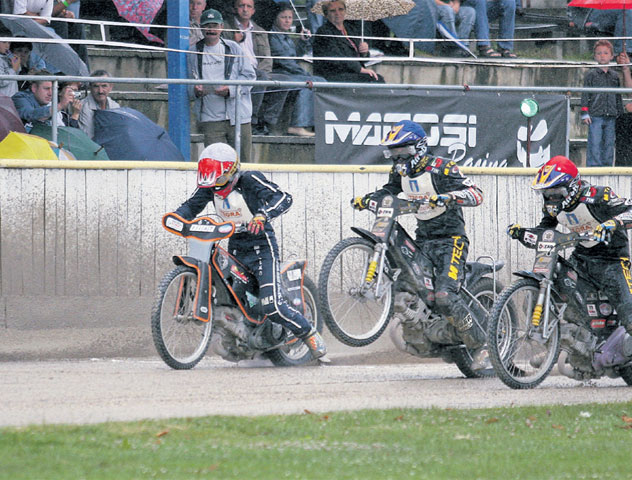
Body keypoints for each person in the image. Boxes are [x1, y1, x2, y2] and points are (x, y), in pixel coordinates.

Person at [170, 143, 328, 361]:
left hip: (262, 248)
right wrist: (177, 217)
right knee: (238, 300)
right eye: (210, 178)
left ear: (232, 171)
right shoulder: (210, 188)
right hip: (235, 247)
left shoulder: (250, 179)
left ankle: (308, 332)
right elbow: (190, 206)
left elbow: (283, 197)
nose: (215, 185)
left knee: (271, 304)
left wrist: (262, 215)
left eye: (219, 178)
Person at [350, 120, 488, 370]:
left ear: (420, 147)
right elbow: (388, 192)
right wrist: (368, 199)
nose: (397, 157)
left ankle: (482, 347)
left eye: (402, 151)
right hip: (422, 239)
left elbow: (476, 194)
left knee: (445, 296)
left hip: (451, 241)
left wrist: (448, 197)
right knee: (409, 289)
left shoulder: (443, 167)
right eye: (393, 152)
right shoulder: (399, 172)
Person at [508, 156, 632, 368]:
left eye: (555, 192)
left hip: (612, 259)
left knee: (628, 312)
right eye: (546, 193)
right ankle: (557, 347)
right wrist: (522, 233)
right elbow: (545, 232)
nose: (551, 198)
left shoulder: (599, 195)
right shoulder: (552, 208)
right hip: (581, 257)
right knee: (550, 289)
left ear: (571, 186)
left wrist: (611, 224)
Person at [189, 9, 256, 163]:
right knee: (216, 165)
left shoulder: (234, 48)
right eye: (207, 26)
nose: (211, 30)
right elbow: (187, 83)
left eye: (214, 25)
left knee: (244, 163)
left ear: (221, 27)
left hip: (239, 116)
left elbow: (250, 77)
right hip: (210, 118)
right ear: (201, 27)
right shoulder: (192, 52)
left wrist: (230, 90)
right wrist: (195, 90)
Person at [222, 0, 288, 136]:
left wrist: (261, 72)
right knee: (260, 77)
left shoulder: (260, 31)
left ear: (253, 11)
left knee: (285, 81)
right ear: (235, 8)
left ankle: (267, 121)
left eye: (249, 6)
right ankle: (251, 121)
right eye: (241, 6)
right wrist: (234, 42)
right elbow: (222, 54)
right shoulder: (225, 28)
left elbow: (267, 59)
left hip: (257, 71)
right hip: (236, 72)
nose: (245, 9)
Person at [269, 5, 325, 137]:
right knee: (307, 84)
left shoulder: (286, 37)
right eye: (283, 17)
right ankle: (297, 125)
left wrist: (303, 42)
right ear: (276, 19)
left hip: (291, 72)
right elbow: (285, 62)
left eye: (290, 18)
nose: (288, 21)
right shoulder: (273, 37)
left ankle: (317, 123)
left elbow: (295, 56)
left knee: (322, 81)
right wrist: (304, 73)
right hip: (280, 73)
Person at [311, 0, 385, 83]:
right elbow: (338, 58)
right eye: (332, 11)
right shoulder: (324, 32)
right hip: (334, 75)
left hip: (352, 73)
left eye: (341, 9)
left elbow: (363, 59)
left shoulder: (350, 29)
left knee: (378, 78)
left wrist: (364, 52)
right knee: (373, 79)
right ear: (326, 14)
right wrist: (360, 69)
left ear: (345, 11)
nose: (337, 13)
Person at [582, 39, 625, 167]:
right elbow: (585, 94)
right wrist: (585, 112)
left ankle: (607, 166)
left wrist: (620, 112)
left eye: (606, 53)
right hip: (595, 114)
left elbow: (618, 96)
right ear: (595, 56)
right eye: (599, 53)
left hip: (611, 115)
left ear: (611, 56)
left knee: (609, 144)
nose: (602, 56)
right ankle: (594, 167)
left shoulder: (614, 76)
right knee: (595, 143)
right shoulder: (591, 75)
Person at [77, 70, 119, 139]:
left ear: (111, 87)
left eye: (104, 86)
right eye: (96, 86)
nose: (100, 91)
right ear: (90, 87)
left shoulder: (115, 106)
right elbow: (88, 137)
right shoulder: (83, 106)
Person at [0, 25, 21, 97]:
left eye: (9, 43)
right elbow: (1, 81)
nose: (7, 46)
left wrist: (17, 64)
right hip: (1, 97)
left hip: (12, 95)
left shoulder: (6, 57)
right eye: (4, 42)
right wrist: (14, 69)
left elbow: (15, 75)